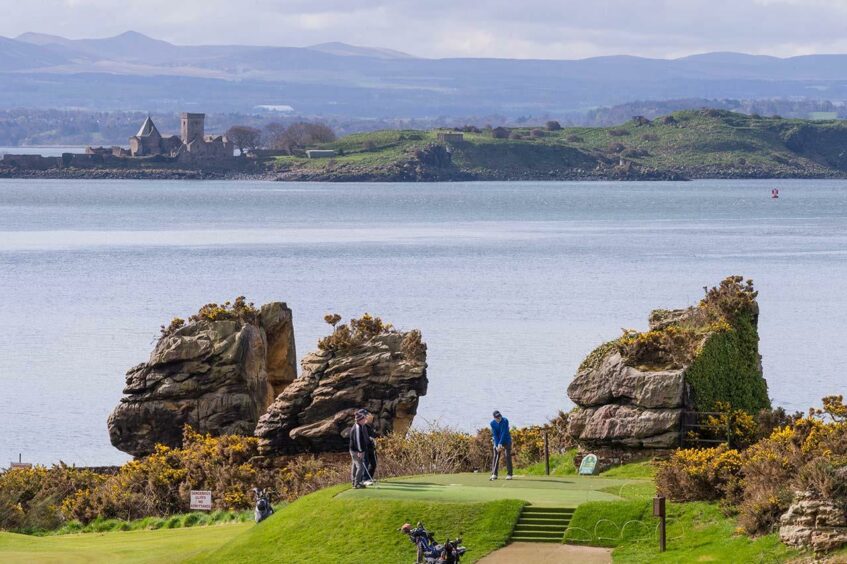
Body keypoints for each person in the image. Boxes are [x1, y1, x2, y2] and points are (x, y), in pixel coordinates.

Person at [489, 410, 513, 480]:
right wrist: (497, 445)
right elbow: (495, 434)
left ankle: (509, 474)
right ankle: (494, 474)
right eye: (497, 417)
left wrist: (500, 443)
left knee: (507, 456)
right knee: (496, 456)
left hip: (506, 440)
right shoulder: (492, 423)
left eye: (499, 416)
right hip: (497, 441)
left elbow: (504, 433)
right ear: (494, 418)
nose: (499, 418)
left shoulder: (505, 421)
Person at [349, 409, 369, 489]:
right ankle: (357, 484)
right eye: (364, 418)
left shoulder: (360, 426)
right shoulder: (357, 428)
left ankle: (354, 482)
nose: (365, 419)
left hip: (354, 450)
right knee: (360, 467)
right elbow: (358, 441)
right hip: (356, 451)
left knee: (355, 466)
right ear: (360, 420)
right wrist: (360, 451)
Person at [363, 410, 378, 486]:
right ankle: (365, 479)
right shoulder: (364, 426)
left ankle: (369, 478)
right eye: (370, 416)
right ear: (366, 417)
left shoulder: (371, 426)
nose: (371, 417)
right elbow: (365, 437)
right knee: (366, 463)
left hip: (372, 448)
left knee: (373, 463)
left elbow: (374, 435)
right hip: (366, 448)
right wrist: (370, 439)